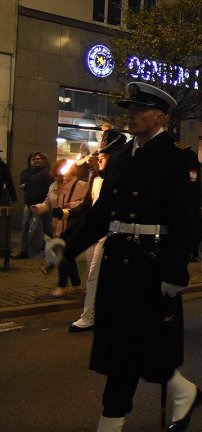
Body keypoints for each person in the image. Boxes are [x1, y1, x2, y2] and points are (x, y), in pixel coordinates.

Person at [52, 82, 202, 432]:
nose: (131, 114)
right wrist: (66, 246)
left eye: (140, 109)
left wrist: (175, 272)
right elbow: (102, 214)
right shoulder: (120, 157)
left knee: (125, 354)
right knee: (129, 346)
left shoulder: (178, 158)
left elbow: (189, 221)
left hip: (151, 264)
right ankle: (182, 391)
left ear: (160, 116)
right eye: (129, 108)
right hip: (120, 264)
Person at [65, 129, 127, 332]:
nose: (99, 161)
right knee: (96, 276)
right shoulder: (95, 177)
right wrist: (66, 214)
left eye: (103, 157)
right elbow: (88, 207)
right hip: (98, 232)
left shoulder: (122, 179)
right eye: (99, 157)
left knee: (95, 275)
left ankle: (89, 316)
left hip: (114, 233)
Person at [32, 158, 88, 296]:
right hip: (57, 226)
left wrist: (70, 206)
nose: (60, 172)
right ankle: (76, 283)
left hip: (71, 226)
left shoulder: (81, 185)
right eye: (58, 168)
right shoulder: (53, 186)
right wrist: (38, 207)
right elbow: (47, 203)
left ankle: (62, 285)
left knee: (62, 254)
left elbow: (85, 203)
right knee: (68, 255)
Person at [16, 151, 52, 259]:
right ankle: (25, 250)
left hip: (40, 205)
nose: (35, 161)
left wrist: (39, 198)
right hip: (29, 203)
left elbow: (49, 189)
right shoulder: (33, 172)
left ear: (44, 160)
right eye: (34, 159)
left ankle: (47, 250)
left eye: (38, 159)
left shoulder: (47, 172)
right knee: (26, 227)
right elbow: (28, 186)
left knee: (41, 229)